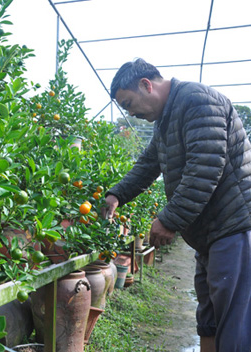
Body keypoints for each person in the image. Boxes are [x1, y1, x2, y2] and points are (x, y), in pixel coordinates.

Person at [103, 58, 251, 352]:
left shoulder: (197, 101)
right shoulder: (166, 120)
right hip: (209, 233)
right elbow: (148, 165)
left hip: (233, 225)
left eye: (129, 102)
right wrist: (116, 194)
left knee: (235, 321)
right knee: (208, 316)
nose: (130, 112)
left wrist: (170, 219)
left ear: (146, 85)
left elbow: (205, 168)